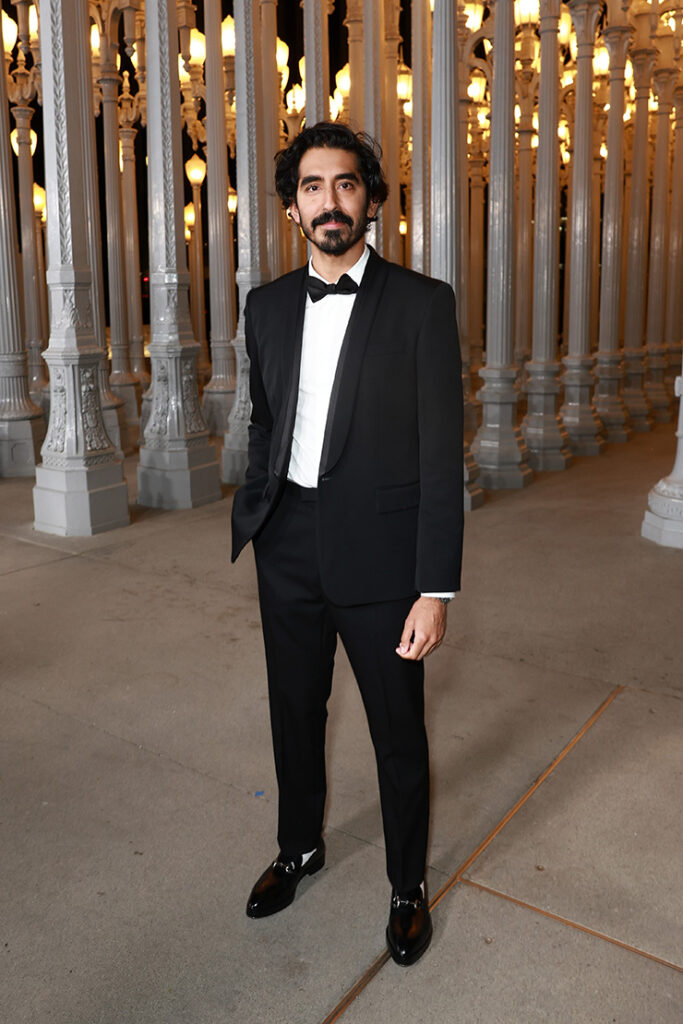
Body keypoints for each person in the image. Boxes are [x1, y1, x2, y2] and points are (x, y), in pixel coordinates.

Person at [231, 121, 464, 967]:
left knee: (396, 731)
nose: (329, 202)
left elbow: (441, 457)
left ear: (369, 197)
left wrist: (434, 588)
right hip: (286, 543)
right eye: (311, 187)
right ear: (292, 205)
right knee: (294, 713)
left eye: (344, 185)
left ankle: (406, 883)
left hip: (384, 560)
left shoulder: (421, 302)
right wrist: (258, 511)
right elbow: (265, 421)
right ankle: (299, 847)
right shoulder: (263, 305)